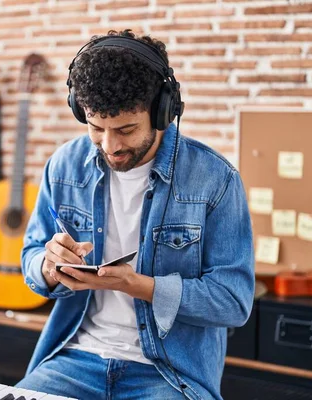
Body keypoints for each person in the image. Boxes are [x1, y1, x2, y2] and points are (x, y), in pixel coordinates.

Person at [16, 29, 255, 400]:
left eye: (126, 130)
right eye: (97, 128)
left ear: (162, 111)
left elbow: (234, 302)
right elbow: (31, 253)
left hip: (168, 373)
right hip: (75, 359)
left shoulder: (215, 179)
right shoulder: (63, 166)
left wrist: (137, 285)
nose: (110, 146)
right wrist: (47, 267)